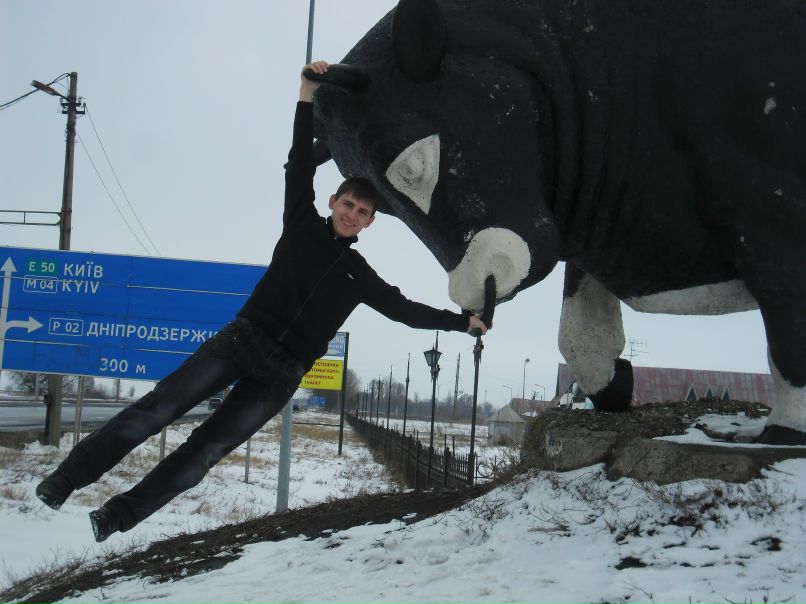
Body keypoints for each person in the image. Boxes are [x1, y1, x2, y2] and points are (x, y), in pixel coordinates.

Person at [35, 61, 489, 542]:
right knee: (154, 411)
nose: (352, 214)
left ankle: (118, 516)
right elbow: (297, 163)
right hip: (241, 340)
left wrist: (465, 323)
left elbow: (405, 310)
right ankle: (64, 481)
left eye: (362, 212)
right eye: (347, 205)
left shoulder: (359, 276)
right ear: (333, 202)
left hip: (280, 376)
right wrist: (305, 95)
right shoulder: (300, 224)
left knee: (203, 453)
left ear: (371, 221)